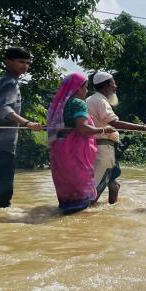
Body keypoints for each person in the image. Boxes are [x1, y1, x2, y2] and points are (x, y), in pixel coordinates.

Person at [0, 47, 44, 212]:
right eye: (20, 62)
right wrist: (27, 123)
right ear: (8, 62)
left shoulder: (0, 81)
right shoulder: (10, 83)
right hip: (4, 144)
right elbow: (5, 109)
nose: (25, 66)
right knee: (3, 193)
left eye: (27, 63)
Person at [86, 71, 146, 205]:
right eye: (113, 83)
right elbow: (115, 123)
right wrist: (145, 128)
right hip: (104, 149)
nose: (116, 86)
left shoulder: (90, 99)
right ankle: (83, 215)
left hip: (95, 147)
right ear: (106, 86)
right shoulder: (101, 101)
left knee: (114, 185)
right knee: (95, 191)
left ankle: (112, 209)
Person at [46, 73, 116, 214]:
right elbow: (83, 129)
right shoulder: (78, 103)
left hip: (59, 153)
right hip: (76, 153)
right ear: (78, 88)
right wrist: (104, 129)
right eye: (85, 87)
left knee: (67, 191)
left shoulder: (58, 105)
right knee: (81, 196)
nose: (86, 91)